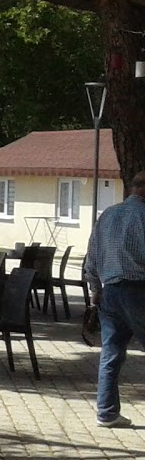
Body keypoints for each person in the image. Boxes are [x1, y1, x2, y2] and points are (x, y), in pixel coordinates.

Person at [84, 170, 145, 428]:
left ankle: (107, 412)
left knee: (111, 353)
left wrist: (95, 288)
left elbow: (92, 255)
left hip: (109, 292)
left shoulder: (108, 215)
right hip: (138, 290)